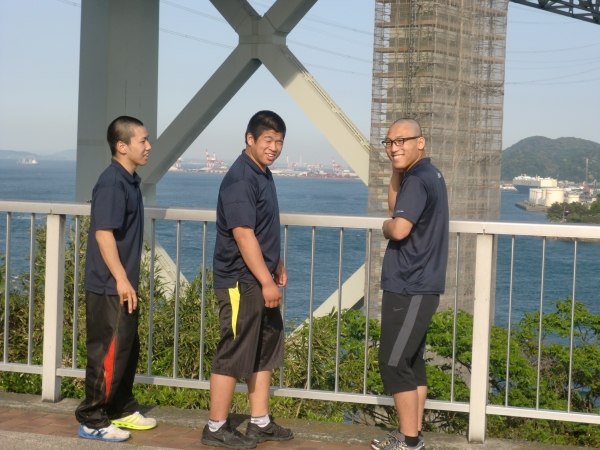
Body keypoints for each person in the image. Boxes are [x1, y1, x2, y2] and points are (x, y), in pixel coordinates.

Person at [202, 111, 293, 449]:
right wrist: (266, 281)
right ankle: (215, 427)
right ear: (250, 139)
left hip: (259, 276)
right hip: (241, 281)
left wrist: (276, 263)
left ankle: (259, 421)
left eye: (279, 141)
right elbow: (243, 234)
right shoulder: (241, 178)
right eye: (268, 140)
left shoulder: (262, 173)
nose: (274, 147)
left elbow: (262, 227)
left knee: (264, 348)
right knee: (234, 350)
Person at [75, 116, 156, 442]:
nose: (148, 146)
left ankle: (121, 408)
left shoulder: (129, 180)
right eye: (142, 141)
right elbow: (103, 234)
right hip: (110, 285)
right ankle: (92, 419)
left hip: (122, 284)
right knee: (107, 353)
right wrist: (122, 279)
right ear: (122, 146)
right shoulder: (112, 183)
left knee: (125, 349)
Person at [371, 119, 449, 450]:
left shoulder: (417, 180)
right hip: (420, 282)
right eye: (389, 142)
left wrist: (386, 227)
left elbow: (399, 227)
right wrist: (396, 171)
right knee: (411, 360)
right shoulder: (428, 174)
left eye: (402, 141)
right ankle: (411, 435)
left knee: (392, 362)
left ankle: (410, 441)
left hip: (410, 284)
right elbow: (397, 207)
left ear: (421, 141)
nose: (394, 147)